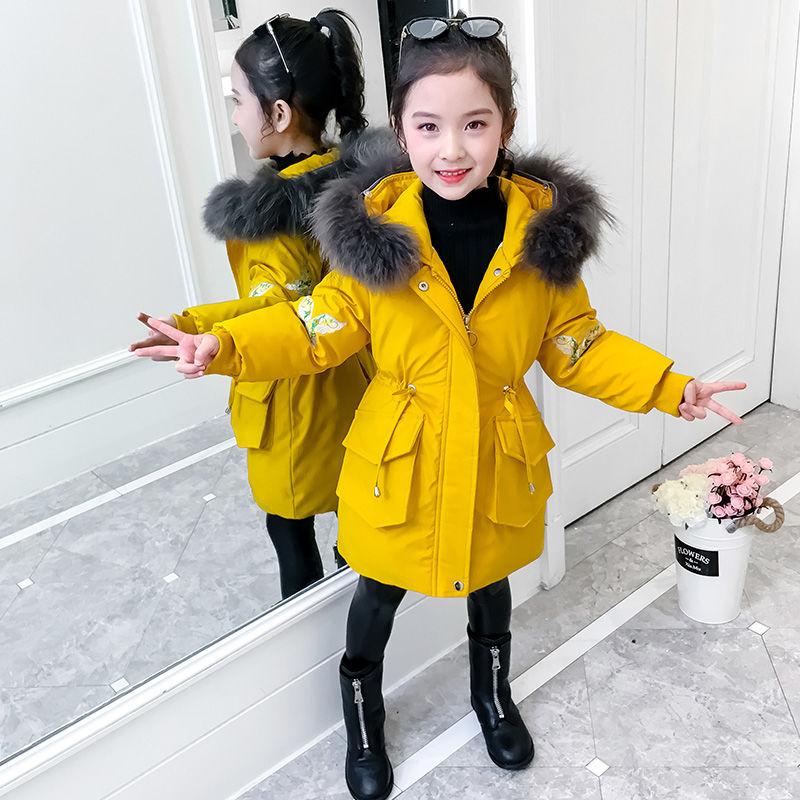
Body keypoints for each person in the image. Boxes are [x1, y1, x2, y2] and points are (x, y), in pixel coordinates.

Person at [134, 13, 747, 800]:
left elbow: (578, 345)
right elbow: (314, 328)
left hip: (495, 458)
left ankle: (492, 694)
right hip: (398, 464)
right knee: (376, 594)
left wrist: (670, 386)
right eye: (428, 126)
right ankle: (363, 716)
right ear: (400, 130)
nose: (451, 148)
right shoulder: (373, 236)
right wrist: (224, 345)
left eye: (474, 124)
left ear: (506, 126)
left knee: (490, 585)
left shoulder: (539, 240)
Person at [131, 9, 378, 600]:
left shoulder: (275, 224)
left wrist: (195, 328)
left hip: (294, 401)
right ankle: (364, 605)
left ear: (280, 114)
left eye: (239, 99)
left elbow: (276, 312)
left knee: (289, 525)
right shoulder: (356, 185)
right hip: (354, 385)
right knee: (355, 516)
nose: (236, 115)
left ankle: (313, 627)